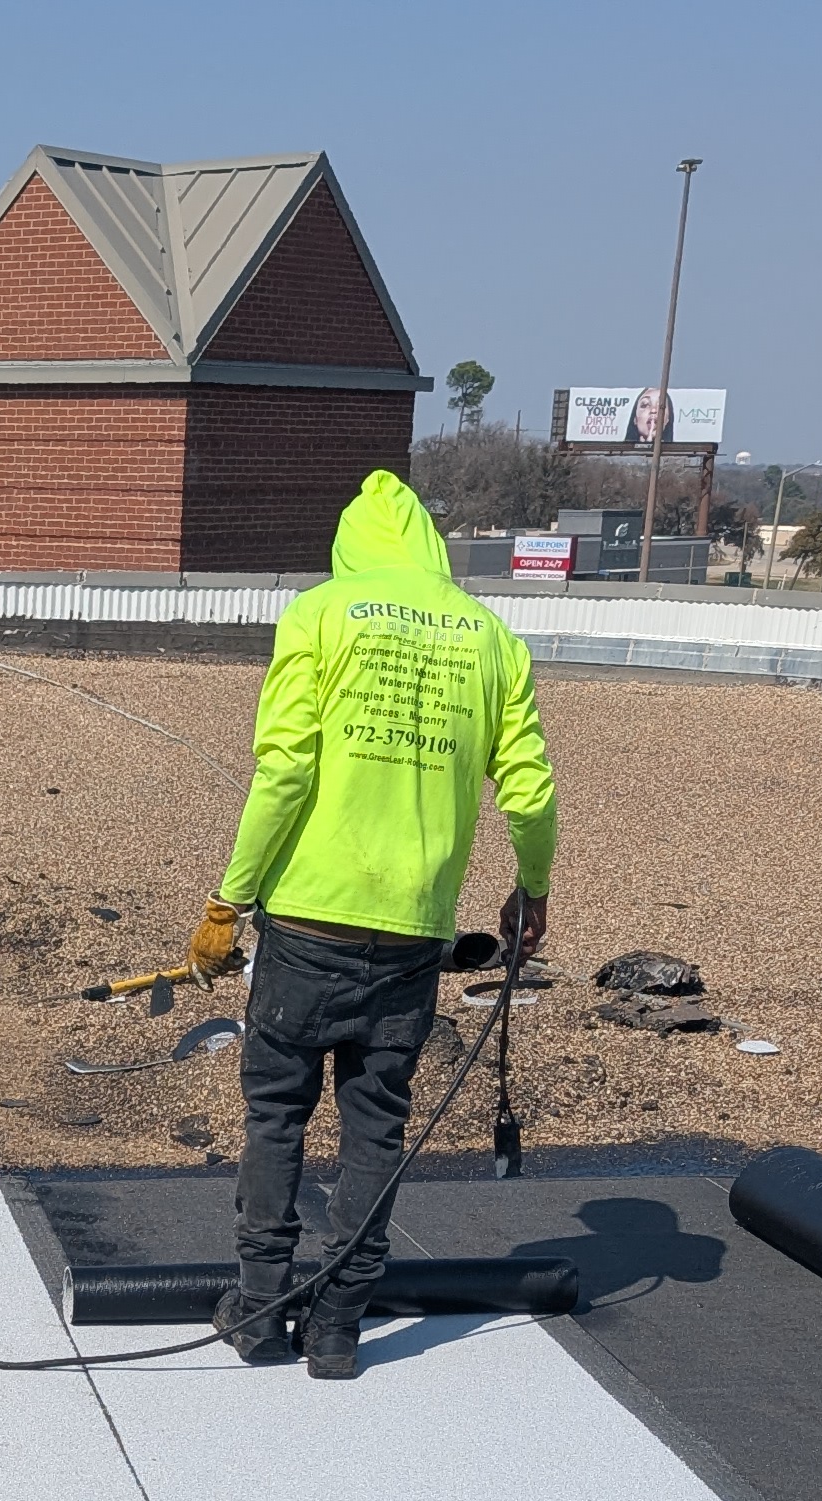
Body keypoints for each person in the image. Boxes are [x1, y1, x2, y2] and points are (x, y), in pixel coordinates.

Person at [189, 469, 558, 1379]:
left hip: (308, 919)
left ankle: (261, 1308)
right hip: (411, 931)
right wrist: (533, 887)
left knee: (275, 1114)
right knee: (375, 1124)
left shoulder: (321, 615)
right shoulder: (491, 637)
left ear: (351, 545)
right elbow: (531, 788)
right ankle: (339, 1327)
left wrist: (227, 901)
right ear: (430, 545)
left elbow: (283, 774)